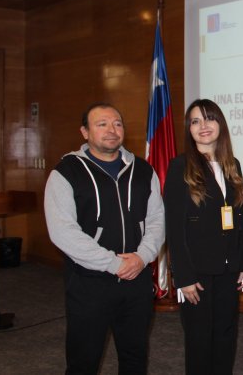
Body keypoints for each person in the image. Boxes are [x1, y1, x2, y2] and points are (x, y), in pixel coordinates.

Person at [44, 102, 165, 374]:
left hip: (136, 279)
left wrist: (142, 257)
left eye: (117, 124)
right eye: (102, 124)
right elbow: (63, 231)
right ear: (85, 132)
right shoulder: (66, 172)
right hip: (89, 282)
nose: (112, 130)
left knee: (135, 358)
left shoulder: (143, 170)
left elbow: (157, 219)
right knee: (83, 362)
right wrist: (114, 264)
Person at [164, 99, 243, 374]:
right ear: (189, 129)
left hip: (229, 269)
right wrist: (183, 277)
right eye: (195, 121)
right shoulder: (180, 166)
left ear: (220, 125)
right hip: (197, 273)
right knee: (199, 341)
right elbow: (174, 228)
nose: (203, 126)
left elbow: (242, 219)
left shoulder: (233, 165)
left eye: (209, 118)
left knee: (226, 336)